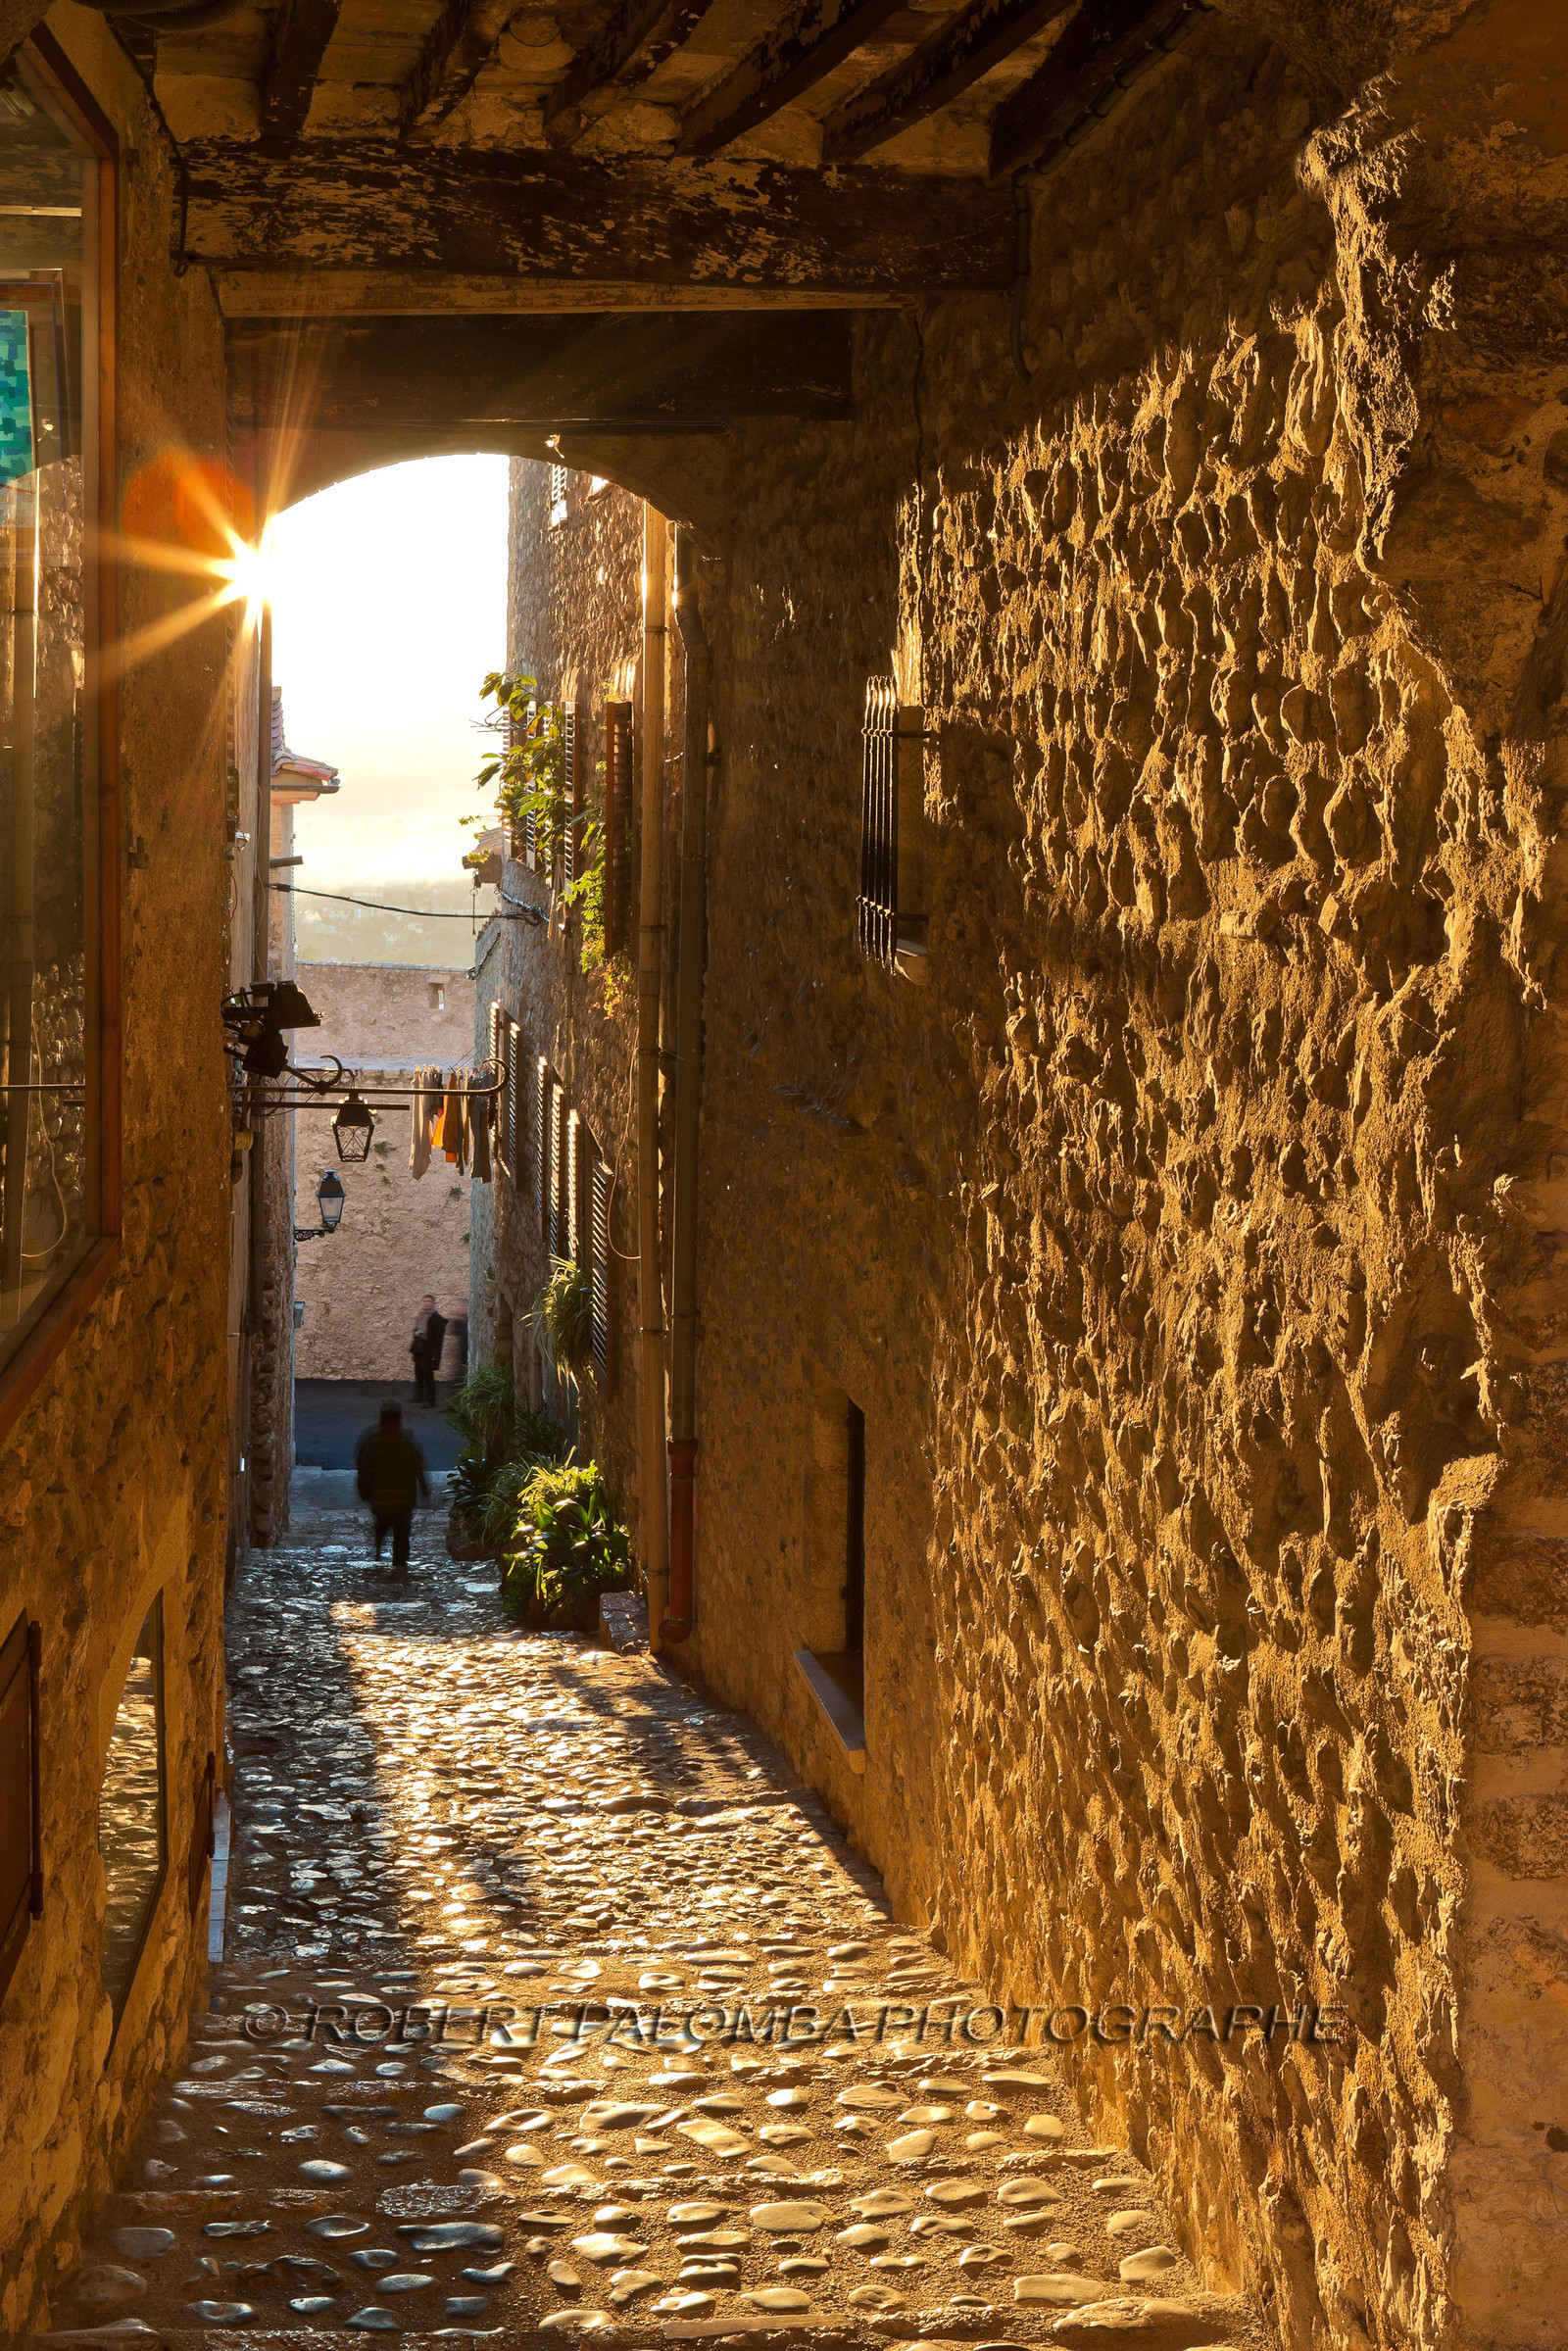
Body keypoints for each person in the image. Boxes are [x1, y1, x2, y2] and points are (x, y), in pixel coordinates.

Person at [354, 1401, 429, 1576]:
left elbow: (363, 1469)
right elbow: (418, 1466)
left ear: (381, 1418)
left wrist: (364, 1491)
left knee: (382, 1524)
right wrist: (424, 1490)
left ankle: (379, 1554)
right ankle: (399, 1568)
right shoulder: (407, 1441)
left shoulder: (371, 1440)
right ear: (400, 1419)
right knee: (401, 1532)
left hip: (380, 1498)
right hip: (405, 1498)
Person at [411, 1294, 447, 1407]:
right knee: (418, 1373)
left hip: (428, 1349)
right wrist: (416, 1333)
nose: (426, 1303)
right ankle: (419, 1397)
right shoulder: (420, 1315)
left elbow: (438, 1338)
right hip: (419, 1347)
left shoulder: (436, 1318)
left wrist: (435, 1354)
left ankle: (431, 1400)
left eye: (429, 1301)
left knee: (428, 1375)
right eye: (425, 1301)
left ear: (433, 1303)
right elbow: (417, 1328)